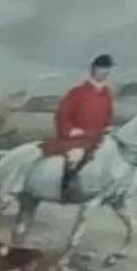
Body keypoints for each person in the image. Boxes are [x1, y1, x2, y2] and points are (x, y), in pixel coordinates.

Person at [54, 54, 118, 203]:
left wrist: (108, 127)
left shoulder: (107, 93)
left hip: (98, 137)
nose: (105, 73)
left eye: (107, 70)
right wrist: (70, 130)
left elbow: (108, 115)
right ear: (93, 70)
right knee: (75, 156)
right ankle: (66, 189)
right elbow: (62, 114)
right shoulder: (77, 92)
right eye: (102, 69)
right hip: (78, 138)